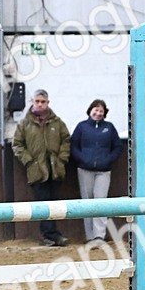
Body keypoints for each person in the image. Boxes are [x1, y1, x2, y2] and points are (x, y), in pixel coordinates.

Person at [12, 90, 71, 246]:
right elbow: (17, 145)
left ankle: (52, 235)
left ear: (48, 103)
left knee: (54, 203)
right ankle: (50, 236)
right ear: (32, 102)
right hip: (37, 171)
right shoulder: (24, 124)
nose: (40, 104)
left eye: (43, 101)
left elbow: (66, 140)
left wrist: (62, 159)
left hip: (55, 170)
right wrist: (29, 161)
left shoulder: (57, 123)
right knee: (43, 204)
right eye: (37, 101)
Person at [70, 99, 123, 241]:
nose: (98, 113)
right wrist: (81, 159)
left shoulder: (109, 128)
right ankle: (89, 236)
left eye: (101, 111)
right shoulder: (81, 127)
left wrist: (109, 159)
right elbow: (73, 146)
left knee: (101, 203)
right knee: (87, 203)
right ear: (90, 110)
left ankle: (99, 236)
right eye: (96, 110)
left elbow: (118, 146)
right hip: (84, 170)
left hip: (104, 171)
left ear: (105, 113)